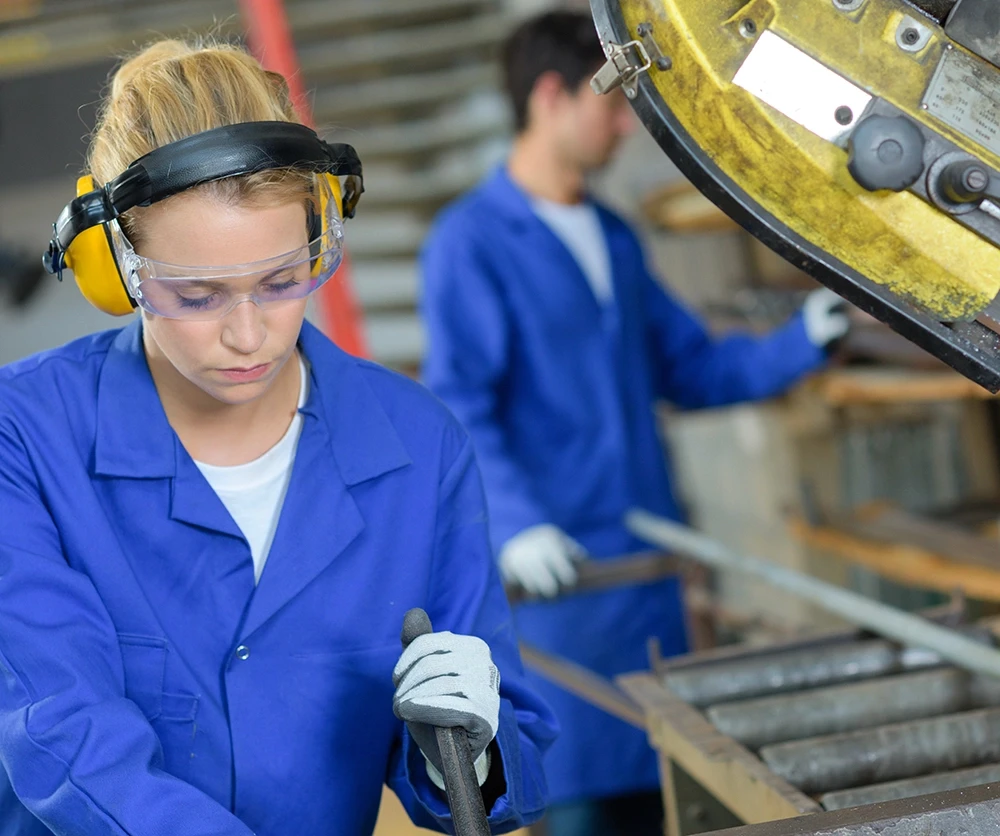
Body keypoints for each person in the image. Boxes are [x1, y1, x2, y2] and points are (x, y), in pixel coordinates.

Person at [0, 38, 556, 836]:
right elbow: (67, 735)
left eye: (282, 279)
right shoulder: (23, 438)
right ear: (117, 271)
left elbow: (513, 768)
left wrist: (468, 755)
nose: (249, 334)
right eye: (196, 295)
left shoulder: (418, 447)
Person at [419, 10, 849, 835]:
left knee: (674, 795)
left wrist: (803, 340)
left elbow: (688, 368)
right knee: (583, 807)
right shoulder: (470, 242)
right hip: (560, 582)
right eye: (611, 105)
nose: (625, 124)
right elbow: (460, 402)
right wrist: (515, 527)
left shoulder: (613, 236)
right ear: (550, 96)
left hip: (648, 570)